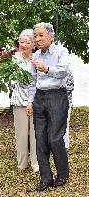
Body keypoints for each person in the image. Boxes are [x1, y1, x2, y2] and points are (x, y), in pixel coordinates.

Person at [26, 22, 70, 191]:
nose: (37, 39)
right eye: (35, 36)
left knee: (54, 138)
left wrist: (46, 68)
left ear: (51, 36)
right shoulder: (35, 55)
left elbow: (64, 70)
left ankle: (63, 174)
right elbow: (32, 82)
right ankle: (46, 178)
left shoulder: (61, 51)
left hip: (57, 96)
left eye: (40, 35)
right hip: (39, 98)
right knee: (40, 139)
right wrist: (30, 100)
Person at [10, 29, 39, 172]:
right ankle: (22, 163)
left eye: (28, 42)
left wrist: (31, 101)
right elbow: (12, 80)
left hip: (34, 101)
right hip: (18, 101)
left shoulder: (38, 58)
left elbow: (38, 82)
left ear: (34, 44)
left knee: (35, 134)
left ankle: (35, 162)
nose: (24, 45)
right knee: (21, 134)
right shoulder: (14, 58)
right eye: (22, 42)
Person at [64, 69, 74, 149]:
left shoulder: (68, 71)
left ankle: (65, 147)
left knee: (65, 126)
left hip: (66, 103)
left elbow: (71, 87)